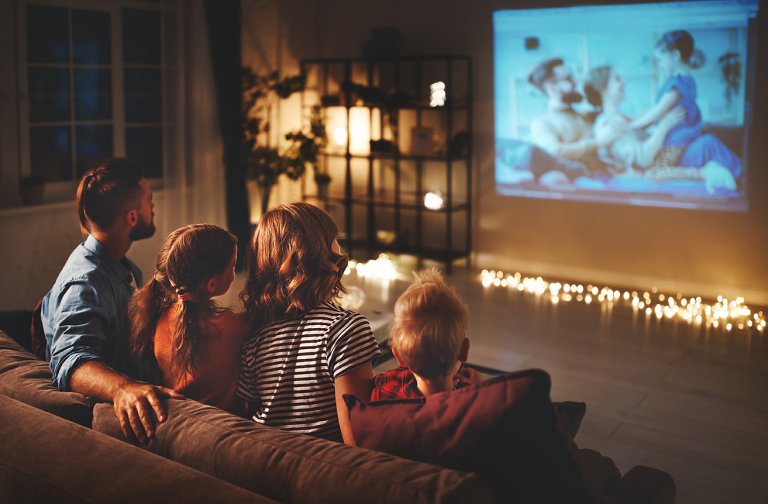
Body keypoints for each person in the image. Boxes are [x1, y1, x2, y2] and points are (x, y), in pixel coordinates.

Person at [42, 157, 183, 444]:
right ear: (132, 217)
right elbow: (70, 360)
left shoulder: (117, 266)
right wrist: (122, 388)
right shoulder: (85, 283)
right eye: (148, 200)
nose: (152, 206)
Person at [236, 202, 380, 445]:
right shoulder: (346, 330)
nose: (339, 246)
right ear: (319, 253)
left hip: (265, 455)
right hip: (322, 462)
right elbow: (357, 440)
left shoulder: (254, 339)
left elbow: (247, 414)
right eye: (334, 239)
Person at [129, 224, 248, 414]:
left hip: (179, 416)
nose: (234, 271)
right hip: (221, 421)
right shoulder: (232, 327)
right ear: (211, 284)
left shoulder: (158, 318)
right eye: (233, 266)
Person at [585, 65, 737, 193]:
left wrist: (663, 112)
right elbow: (643, 158)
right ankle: (741, 180)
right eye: (617, 79)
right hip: (654, 171)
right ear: (603, 89)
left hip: (663, 161)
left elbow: (650, 115)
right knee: (707, 144)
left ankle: (742, 178)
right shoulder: (608, 125)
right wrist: (666, 124)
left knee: (707, 141)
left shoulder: (623, 118)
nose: (623, 82)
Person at [628, 30, 742, 178]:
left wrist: (630, 126)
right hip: (684, 139)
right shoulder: (687, 80)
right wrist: (632, 119)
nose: (660, 65)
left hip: (676, 143)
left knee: (651, 172)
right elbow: (654, 108)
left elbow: (657, 111)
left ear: (675, 55)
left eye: (661, 59)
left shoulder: (678, 85)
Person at [371, 268, 482, 400]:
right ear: (464, 350)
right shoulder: (469, 403)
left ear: (399, 356)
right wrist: (477, 390)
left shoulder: (385, 388)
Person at [528, 58, 623, 181]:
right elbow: (554, 151)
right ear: (552, 89)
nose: (575, 82)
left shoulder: (587, 116)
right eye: (568, 79)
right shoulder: (542, 123)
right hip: (581, 183)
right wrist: (599, 143)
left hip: (608, 177)